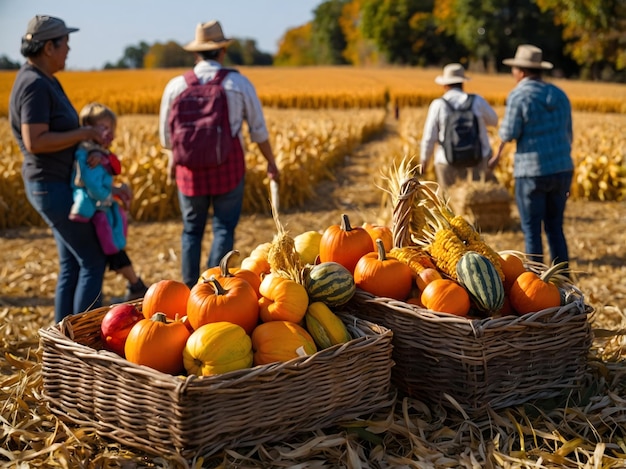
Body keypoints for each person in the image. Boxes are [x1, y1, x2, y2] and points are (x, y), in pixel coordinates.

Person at [159, 20, 279, 289]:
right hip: (228, 168)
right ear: (222, 51)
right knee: (224, 227)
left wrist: (172, 165)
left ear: (196, 53)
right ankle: (214, 286)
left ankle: (190, 289)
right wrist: (271, 162)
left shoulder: (175, 86)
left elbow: (167, 138)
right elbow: (258, 130)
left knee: (191, 230)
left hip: (189, 173)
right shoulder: (237, 82)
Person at [9, 15, 108, 323]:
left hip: (53, 183)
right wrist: (84, 134)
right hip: (50, 185)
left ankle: (63, 336)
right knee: (93, 259)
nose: (69, 49)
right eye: (65, 42)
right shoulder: (34, 84)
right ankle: (83, 339)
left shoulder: (43, 79)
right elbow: (35, 140)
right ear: (49, 47)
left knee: (72, 263)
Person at [489, 45, 573, 268]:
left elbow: (509, 132)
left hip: (531, 171)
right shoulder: (559, 94)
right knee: (555, 227)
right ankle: (563, 280)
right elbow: (569, 134)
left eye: (514, 69)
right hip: (562, 168)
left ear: (522, 72)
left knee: (531, 229)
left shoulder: (519, 95)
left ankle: (537, 280)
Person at [71, 102, 148, 302]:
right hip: (96, 209)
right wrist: (111, 193)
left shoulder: (99, 152)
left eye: (111, 129)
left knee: (112, 247)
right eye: (103, 128)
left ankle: (135, 285)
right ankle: (135, 285)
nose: (109, 133)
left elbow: (114, 168)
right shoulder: (86, 154)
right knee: (110, 249)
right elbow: (91, 184)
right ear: (87, 127)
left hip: (104, 208)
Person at [420, 63, 498, 192]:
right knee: (476, 202)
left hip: (446, 161)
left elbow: (429, 137)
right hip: (477, 160)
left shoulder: (438, 104)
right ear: (463, 83)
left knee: (449, 205)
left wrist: (424, 161)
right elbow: (494, 121)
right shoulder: (477, 101)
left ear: (445, 85)